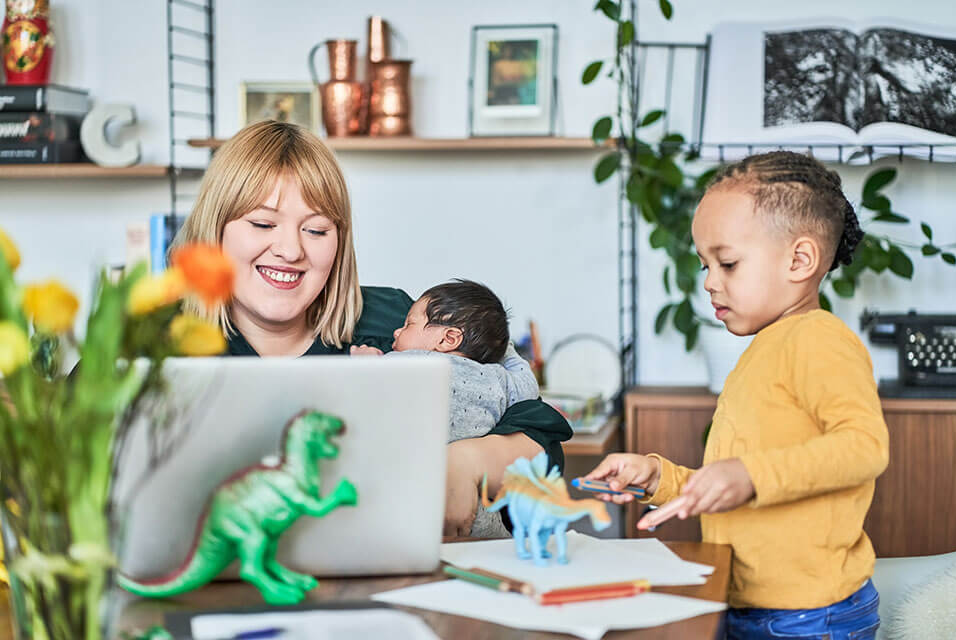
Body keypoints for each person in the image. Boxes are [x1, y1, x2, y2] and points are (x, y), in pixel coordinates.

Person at [172, 120, 571, 536]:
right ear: (215, 231)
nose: (290, 250)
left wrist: (468, 461)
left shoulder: (398, 321)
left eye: (316, 229)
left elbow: (545, 442)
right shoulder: (161, 341)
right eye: (263, 224)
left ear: (340, 240)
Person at [585, 151, 888, 639]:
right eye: (705, 264)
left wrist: (748, 475)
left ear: (800, 260)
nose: (709, 282)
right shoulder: (767, 347)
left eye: (727, 263)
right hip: (751, 601)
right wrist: (659, 476)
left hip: (808, 617)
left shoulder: (819, 340)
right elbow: (740, 483)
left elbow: (864, 448)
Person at [352, 279, 540, 536]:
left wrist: (364, 363)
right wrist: (502, 345)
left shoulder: (400, 364)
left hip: (405, 507)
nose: (396, 332)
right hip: (476, 518)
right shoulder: (498, 378)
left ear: (448, 338)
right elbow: (529, 387)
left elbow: (359, 397)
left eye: (408, 325)